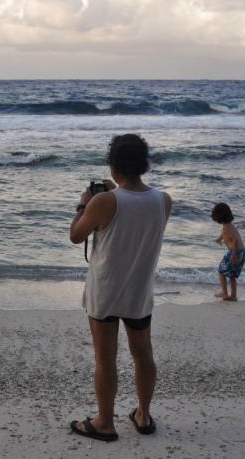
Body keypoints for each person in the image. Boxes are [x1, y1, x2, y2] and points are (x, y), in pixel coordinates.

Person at [68, 134, 172, 442]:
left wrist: (83, 203)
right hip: (139, 291)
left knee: (105, 358)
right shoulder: (163, 200)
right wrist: (113, 193)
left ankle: (104, 422)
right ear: (144, 165)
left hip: (106, 292)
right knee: (143, 354)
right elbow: (134, 217)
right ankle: (142, 414)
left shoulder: (103, 201)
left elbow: (76, 235)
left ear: (114, 166)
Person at [211, 202, 245, 302]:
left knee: (221, 271)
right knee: (232, 274)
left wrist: (234, 254)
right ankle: (233, 296)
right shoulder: (229, 225)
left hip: (235, 252)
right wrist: (219, 239)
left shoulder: (226, 227)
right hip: (242, 252)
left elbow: (235, 240)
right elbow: (224, 233)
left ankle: (225, 293)